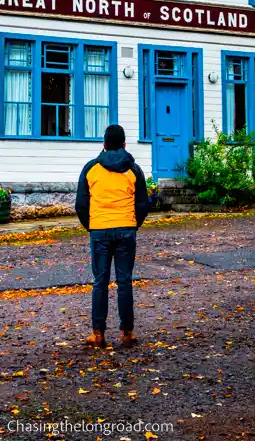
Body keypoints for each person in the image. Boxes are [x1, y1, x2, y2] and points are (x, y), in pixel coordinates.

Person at [75, 124, 149, 349]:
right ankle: (127, 333)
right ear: (124, 145)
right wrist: (132, 224)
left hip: (100, 230)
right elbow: (143, 204)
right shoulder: (133, 169)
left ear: (104, 145)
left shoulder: (91, 169)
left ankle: (98, 334)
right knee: (124, 281)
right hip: (126, 228)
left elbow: (80, 205)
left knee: (100, 282)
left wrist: (93, 226)